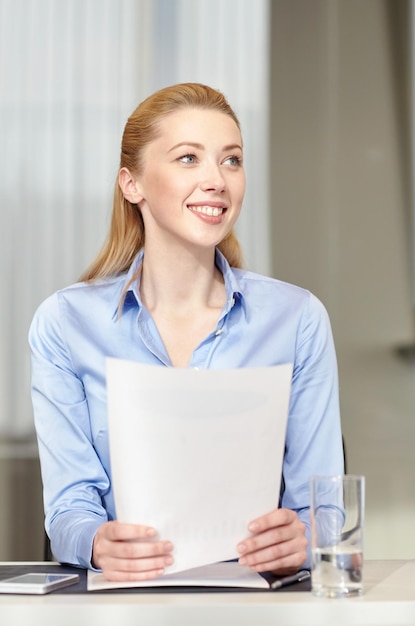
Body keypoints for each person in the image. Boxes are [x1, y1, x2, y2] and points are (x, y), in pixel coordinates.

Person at [29, 82, 344, 582]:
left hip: (260, 604)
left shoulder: (297, 318)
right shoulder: (66, 324)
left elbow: (324, 508)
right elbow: (68, 509)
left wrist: (304, 539)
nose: (217, 180)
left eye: (232, 160)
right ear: (132, 184)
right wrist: (95, 541)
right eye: (188, 159)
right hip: (126, 602)